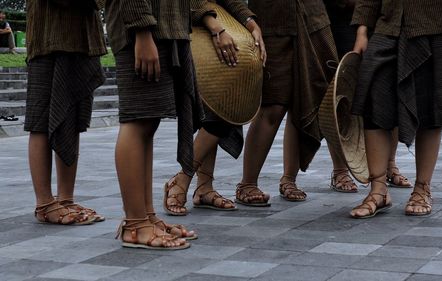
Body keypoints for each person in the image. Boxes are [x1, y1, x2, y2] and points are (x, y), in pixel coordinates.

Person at [349, 0, 442, 218]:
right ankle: (378, 190)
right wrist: (362, 29)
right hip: (388, 25)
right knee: (374, 102)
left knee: (432, 109)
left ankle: (422, 188)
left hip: (440, 26)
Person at [104, 0, 216, 249]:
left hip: (165, 27)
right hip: (143, 31)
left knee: (148, 123)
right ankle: (134, 225)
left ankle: (147, 216)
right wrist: (141, 31)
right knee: (137, 121)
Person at [164, 0, 266, 215]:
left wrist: (251, 24)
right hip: (188, 25)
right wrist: (214, 26)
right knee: (217, 106)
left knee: (222, 104)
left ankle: (204, 188)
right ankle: (183, 177)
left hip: (219, 24)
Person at [235, 0, 339, 206]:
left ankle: (289, 178)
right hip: (272, 22)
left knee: (306, 96)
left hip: (313, 18)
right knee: (273, 105)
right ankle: (247, 183)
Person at [25, 0, 106, 226]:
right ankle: (44, 203)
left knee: (73, 118)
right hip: (48, 38)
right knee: (40, 121)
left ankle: (66, 199)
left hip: (81, 40)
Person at [323, 0, 412, 192]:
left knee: (389, 90)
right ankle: (340, 170)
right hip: (342, 18)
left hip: (385, 18)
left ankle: (390, 164)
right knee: (341, 93)